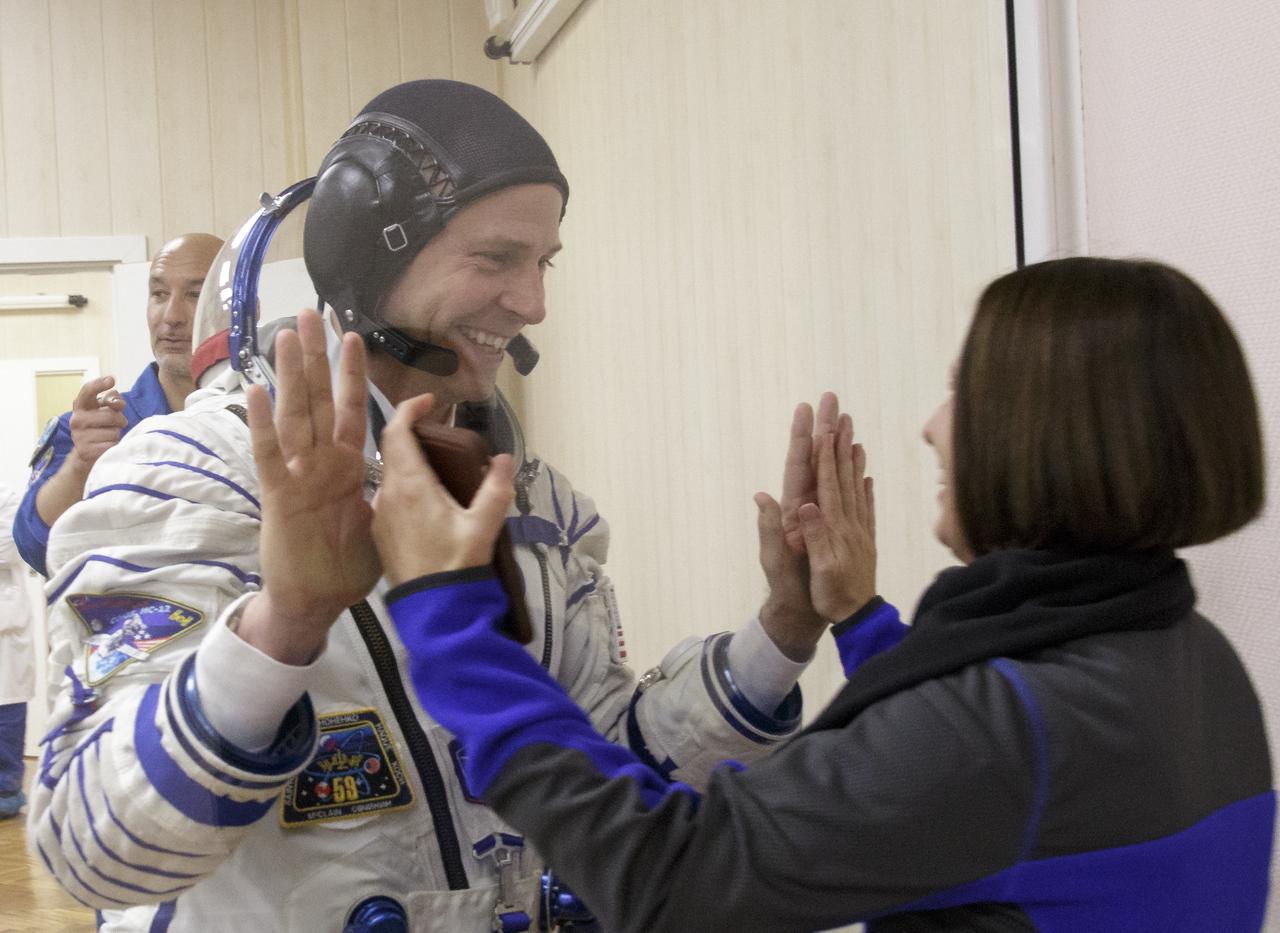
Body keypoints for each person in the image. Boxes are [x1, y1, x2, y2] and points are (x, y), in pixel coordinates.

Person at [29, 80, 831, 932]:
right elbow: (92, 850)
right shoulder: (188, 479)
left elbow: (601, 760)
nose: (534, 303)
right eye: (495, 260)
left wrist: (778, 636)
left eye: (542, 262)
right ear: (372, 257)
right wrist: (284, 624)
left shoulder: (532, 502)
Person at [364, 256, 1273, 931]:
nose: (931, 424)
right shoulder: (1191, 658)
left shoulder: (1017, 727)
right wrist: (859, 617)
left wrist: (450, 618)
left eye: (965, 391)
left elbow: (671, 877)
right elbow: (985, 827)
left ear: (1048, 434)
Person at [12, 233, 224, 575]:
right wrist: (81, 466)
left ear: (244, 307)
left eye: (195, 295)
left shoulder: (279, 417)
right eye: (158, 294)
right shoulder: (95, 428)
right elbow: (36, 547)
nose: (171, 316)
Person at [0, 482, 35, 819]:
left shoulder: (9, 497)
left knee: (6, 708)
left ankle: (6, 790)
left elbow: (9, 549)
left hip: (4, 629)